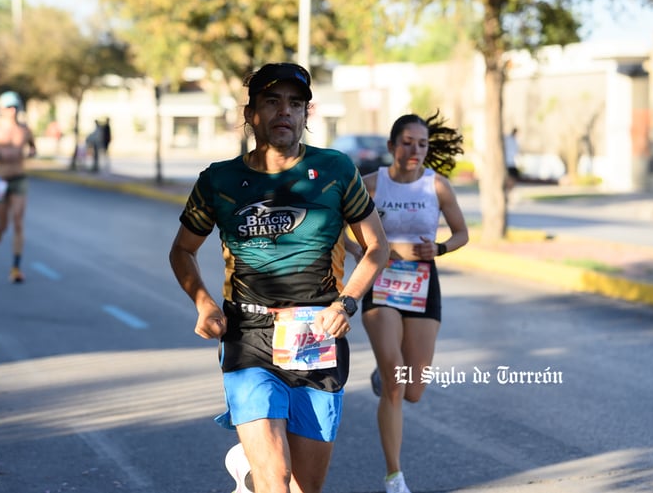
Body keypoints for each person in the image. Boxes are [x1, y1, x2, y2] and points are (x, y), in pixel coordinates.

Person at [168, 62, 389, 493]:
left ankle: (247, 472)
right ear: (251, 114)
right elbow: (182, 250)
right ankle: (260, 474)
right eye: (272, 101)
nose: (284, 111)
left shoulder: (336, 170)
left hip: (317, 336)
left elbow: (377, 247)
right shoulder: (220, 180)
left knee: (306, 486)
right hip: (248, 333)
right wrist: (204, 302)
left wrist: (348, 302)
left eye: (295, 103)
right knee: (277, 480)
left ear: (307, 115)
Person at [355, 111, 468, 493]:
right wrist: (360, 251)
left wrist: (438, 247)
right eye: (407, 143)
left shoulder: (438, 187)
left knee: (413, 388)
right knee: (395, 384)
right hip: (381, 284)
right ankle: (394, 476)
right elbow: (340, 226)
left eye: (422, 144)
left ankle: (385, 373)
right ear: (391, 146)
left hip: (422, 284)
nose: (415, 150)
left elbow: (462, 233)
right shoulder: (371, 185)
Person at [0, 91, 37, 283]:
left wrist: (29, 155)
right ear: (1, 110)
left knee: (18, 221)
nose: (11, 111)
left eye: (14, 107)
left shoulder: (25, 130)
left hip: (19, 178)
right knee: (3, 225)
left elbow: (34, 149)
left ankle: (16, 268)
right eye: (7, 107)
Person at [504, 127, 520, 195]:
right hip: (508, 162)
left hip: (512, 162)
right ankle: (507, 189)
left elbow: (516, 152)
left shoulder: (514, 140)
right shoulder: (508, 139)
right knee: (511, 177)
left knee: (514, 177)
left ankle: (508, 190)